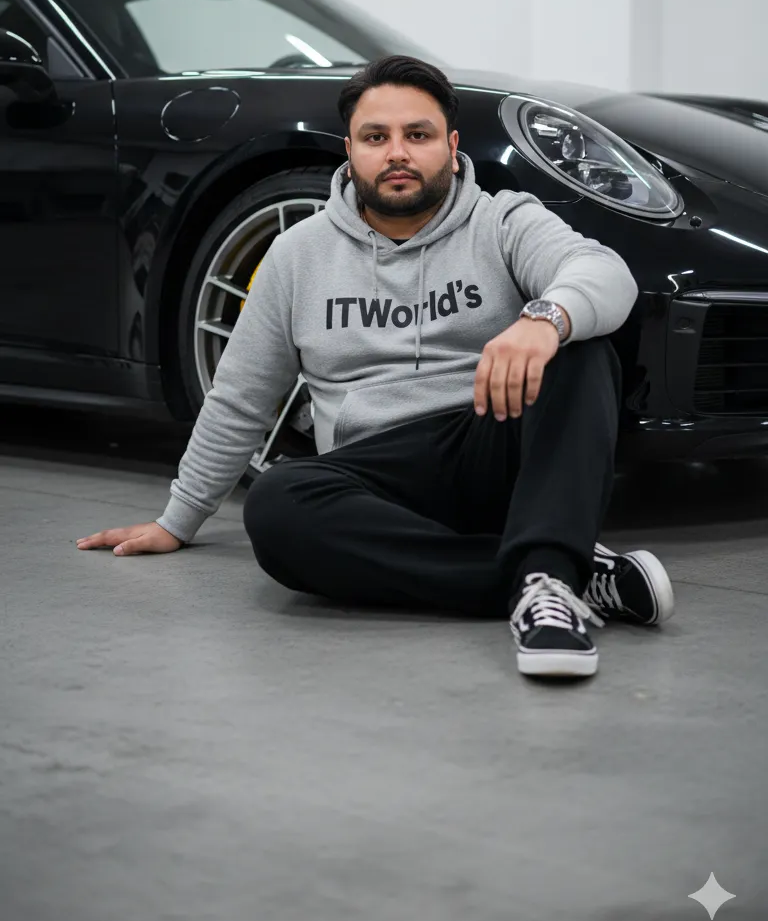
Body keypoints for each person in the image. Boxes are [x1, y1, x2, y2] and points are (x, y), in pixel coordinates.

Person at [78, 56, 674, 680]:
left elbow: (606, 274)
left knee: (581, 350)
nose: (397, 153)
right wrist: (179, 519)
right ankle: (553, 574)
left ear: (450, 145)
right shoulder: (297, 254)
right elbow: (240, 396)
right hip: (378, 474)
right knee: (278, 506)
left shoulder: (501, 221)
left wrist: (543, 320)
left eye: (417, 135)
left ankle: (549, 584)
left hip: (489, 439)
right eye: (376, 137)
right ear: (349, 149)